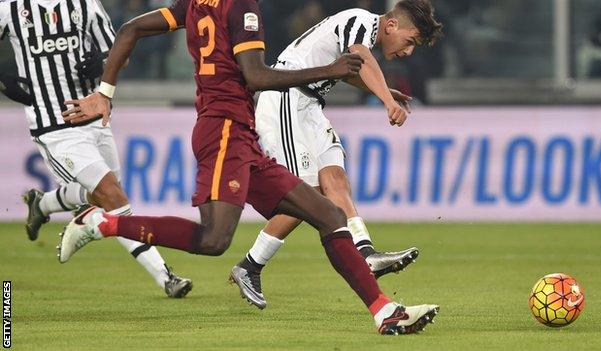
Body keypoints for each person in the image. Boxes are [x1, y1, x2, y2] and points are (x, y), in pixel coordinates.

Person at [58, 0, 439, 335]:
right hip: (224, 129)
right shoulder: (242, 6)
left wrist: (104, 94)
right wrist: (331, 70)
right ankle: (101, 223)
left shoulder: (195, 4)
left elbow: (131, 28)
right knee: (213, 240)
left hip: (239, 132)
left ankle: (386, 312)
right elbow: (257, 77)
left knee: (328, 214)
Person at [230, 0, 443, 310]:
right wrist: (386, 99)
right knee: (308, 195)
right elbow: (360, 56)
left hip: (310, 104)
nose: (408, 52)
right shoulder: (362, 20)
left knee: (336, 179)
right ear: (392, 25)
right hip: (286, 99)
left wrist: (380, 89)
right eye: (410, 42)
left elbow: (349, 71)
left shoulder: (360, 31)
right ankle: (250, 265)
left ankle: (366, 252)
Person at [0, 0, 192, 298]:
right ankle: (166, 277)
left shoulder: (85, 3)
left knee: (106, 198)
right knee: (113, 196)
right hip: (55, 125)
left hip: (94, 116)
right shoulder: (9, 8)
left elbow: (117, 52)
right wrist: (2, 81)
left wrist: (100, 64)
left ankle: (43, 204)